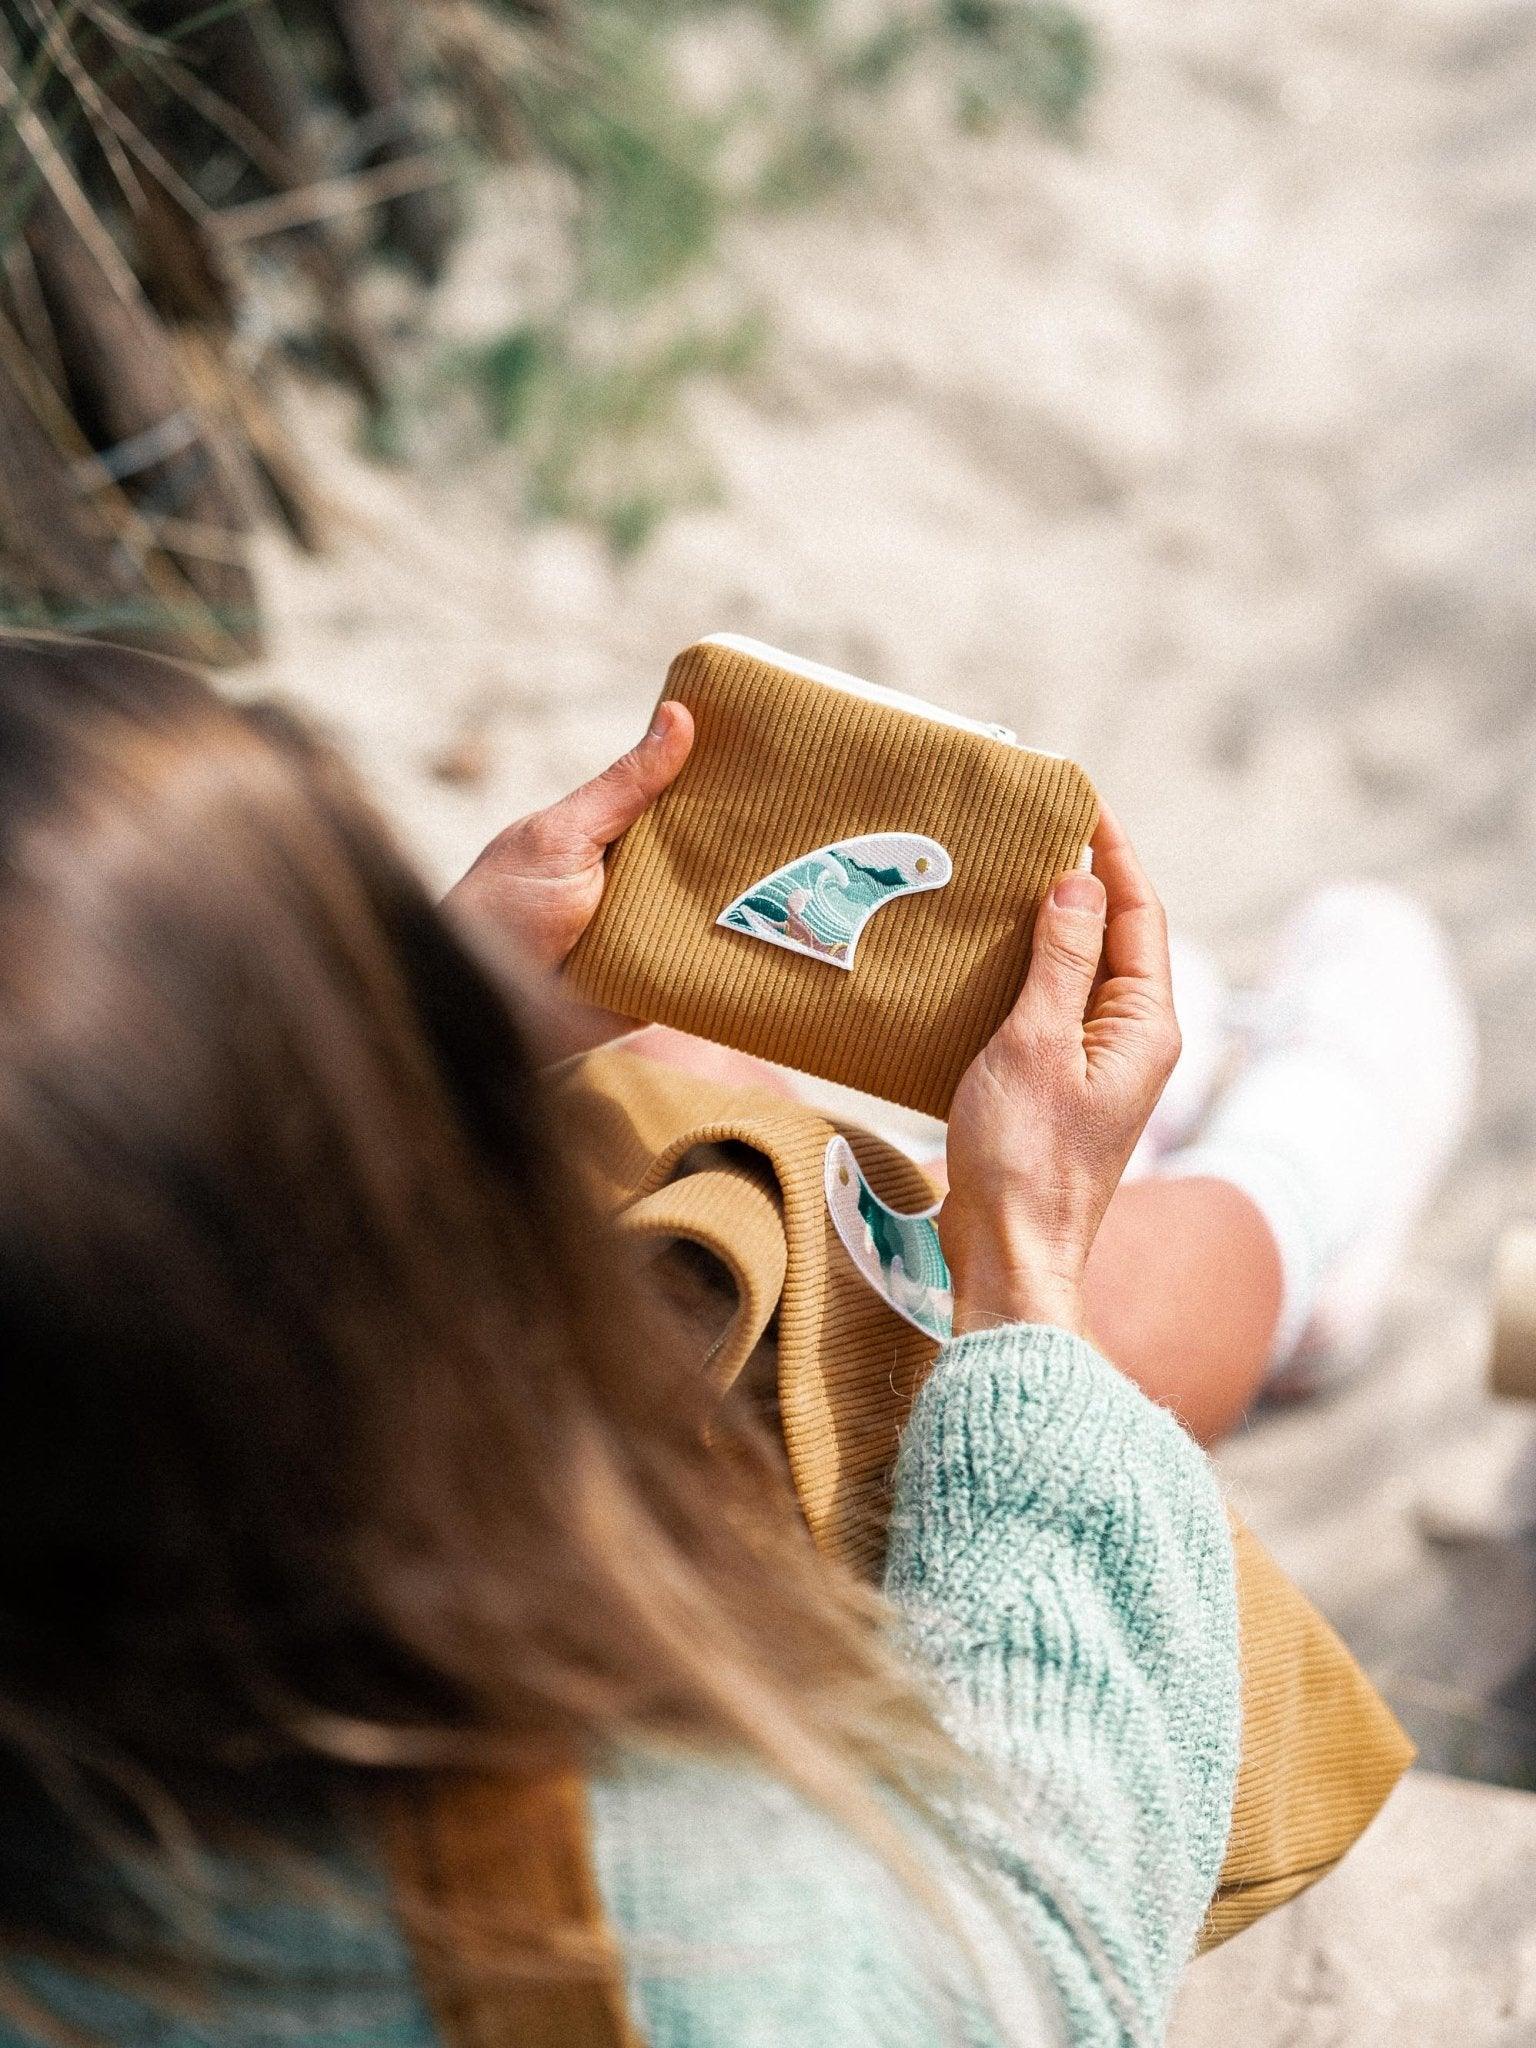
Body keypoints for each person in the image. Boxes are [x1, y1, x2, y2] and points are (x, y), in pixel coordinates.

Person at [0, 632, 1464, 2048]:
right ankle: (1302, 1186)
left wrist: (435, 1033)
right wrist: (1030, 1256)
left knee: (668, 1073)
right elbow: (1041, 1945)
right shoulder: (674, 1939)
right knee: (844, 1295)